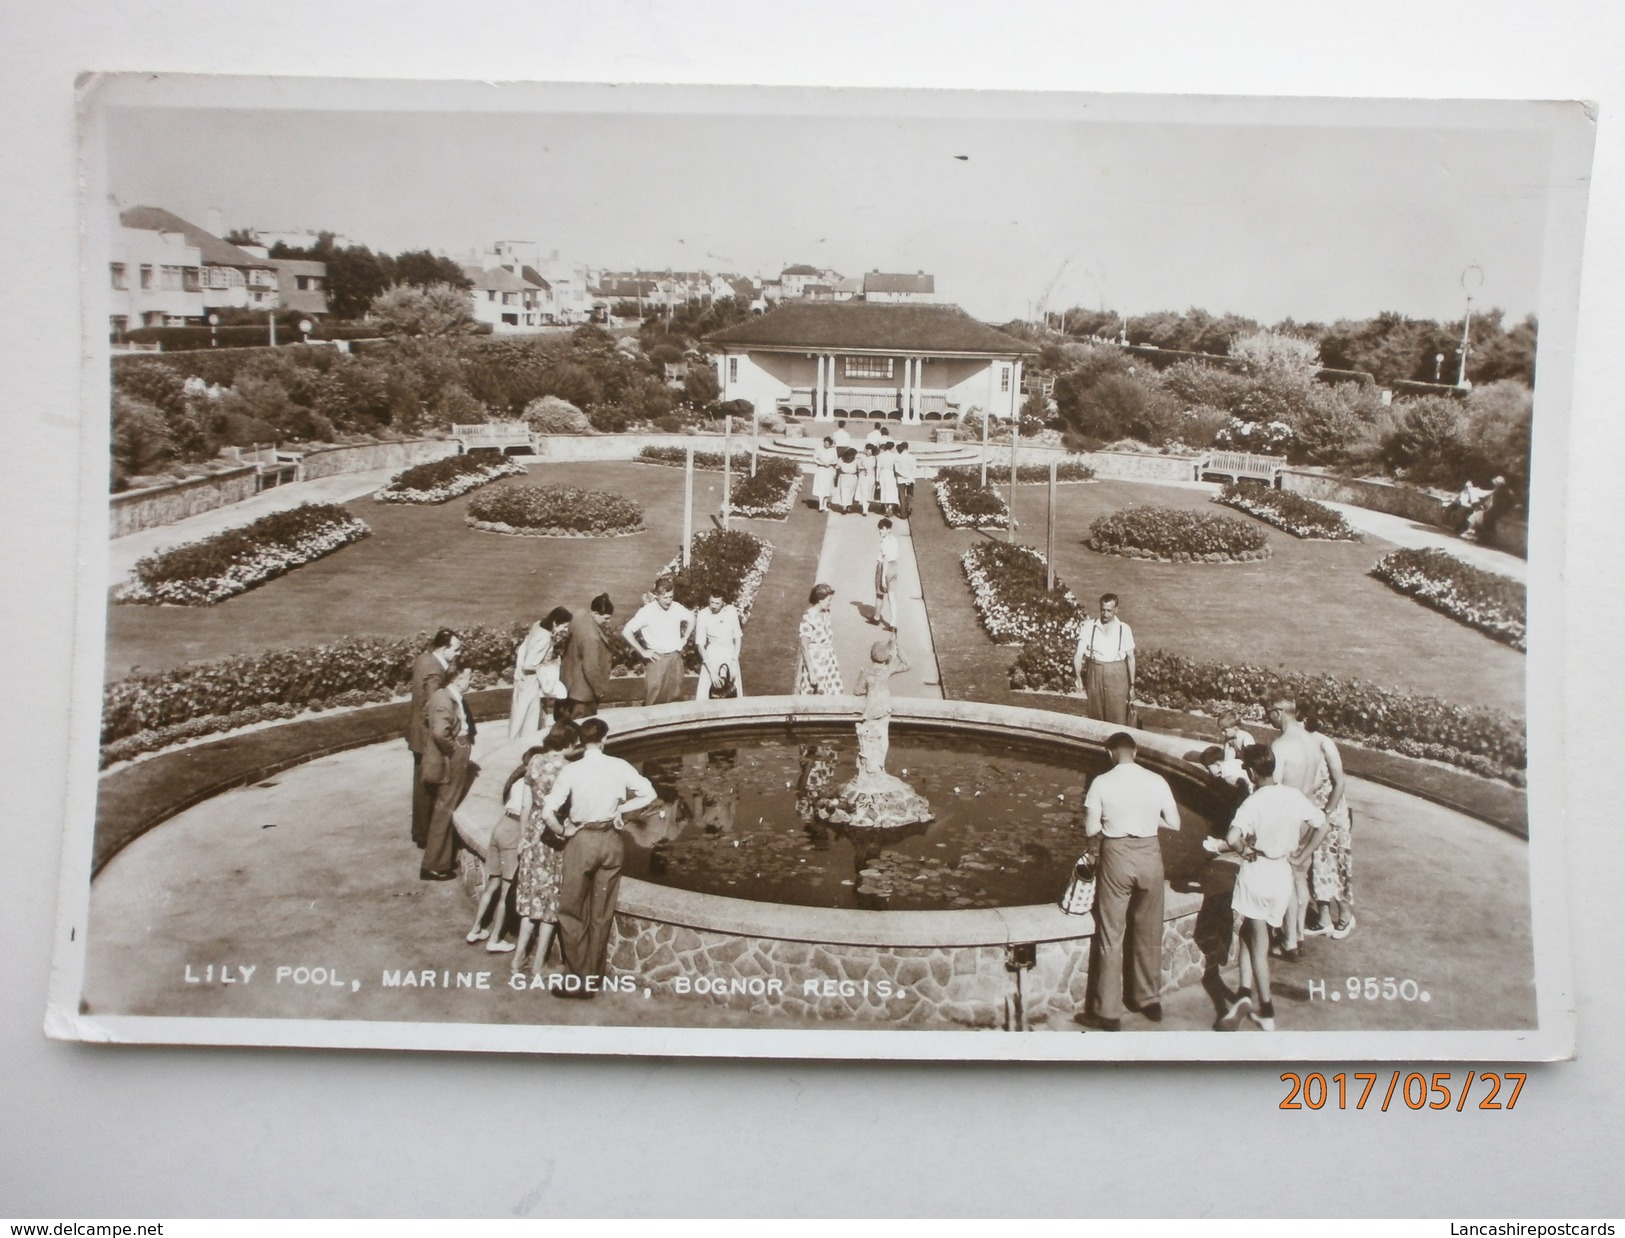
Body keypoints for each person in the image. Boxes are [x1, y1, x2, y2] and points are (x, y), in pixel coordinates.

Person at [1205, 744, 1328, 1031]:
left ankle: (1267, 1010)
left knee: (1259, 946)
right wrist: (1302, 854)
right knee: (1251, 931)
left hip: (1257, 872)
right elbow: (1322, 826)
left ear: (1250, 771)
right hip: (1282, 874)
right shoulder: (1292, 796)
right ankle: (1244, 994)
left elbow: (1232, 836)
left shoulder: (1253, 802)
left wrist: (1243, 851)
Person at [539, 716, 658, 990]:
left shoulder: (572, 771)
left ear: (581, 741)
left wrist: (562, 831)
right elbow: (649, 794)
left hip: (582, 839)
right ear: (604, 739)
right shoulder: (619, 766)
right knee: (601, 911)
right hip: (611, 841)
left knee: (570, 910)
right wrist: (621, 811)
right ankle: (593, 976)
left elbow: (548, 812)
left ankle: (578, 976)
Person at [1079, 732, 1182, 1031]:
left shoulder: (1101, 782)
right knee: (1149, 928)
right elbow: (1175, 823)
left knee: (1112, 933)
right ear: (1135, 751)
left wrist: (1111, 823)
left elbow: (1091, 828)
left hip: (1117, 854)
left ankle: (1108, 1013)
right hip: (1150, 853)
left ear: (1110, 753)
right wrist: (1149, 821)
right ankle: (1149, 1000)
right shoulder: (1157, 780)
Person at [510, 721, 583, 977]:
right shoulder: (569, 769)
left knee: (531, 898)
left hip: (532, 831)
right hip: (554, 836)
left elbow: (525, 804)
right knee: (550, 901)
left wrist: (523, 837)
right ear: (571, 743)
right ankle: (539, 964)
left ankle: (518, 959)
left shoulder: (535, 762)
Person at [1267, 695, 1326, 955]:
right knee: (1300, 873)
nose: (1267, 718)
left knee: (1286, 877)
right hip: (1308, 812)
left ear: (1278, 712)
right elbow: (1319, 781)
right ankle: (1299, 934)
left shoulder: (1281, 745)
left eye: (1268, 713)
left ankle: (1289, 941)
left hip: (1288, 817)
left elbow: (1274, 785)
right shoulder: (1312, 742)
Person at [1301, 708, 1354, 939]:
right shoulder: (1301, 743)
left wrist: (1328, 811)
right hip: (1315, 813)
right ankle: (1323, 919)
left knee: (1337, 864)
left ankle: (1345, 917)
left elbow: (1340, 782)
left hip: (1332, 814)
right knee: (1317, 865)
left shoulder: (1324, 743)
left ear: (1304, 719)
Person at [420, 665, 475, 881]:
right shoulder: (445, 699)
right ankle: (433, 864)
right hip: (453, 756)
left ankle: (441, 860)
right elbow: (440, 732)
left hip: (454, 752)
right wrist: (455, 747)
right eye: (469, 676)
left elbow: (427, 714)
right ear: (458, 678)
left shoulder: (444, 696)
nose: (471, 681)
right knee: (446, 807)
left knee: (446, 806)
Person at [467, 762, 528, 955]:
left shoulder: (519, 782)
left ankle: (475, 929)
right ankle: (495, 939)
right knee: (506, 889)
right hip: (514, 829)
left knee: (493, 882)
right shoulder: (535, 785)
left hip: (501, 825)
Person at [406, 628, 460, 847]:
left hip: (417, 733)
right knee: (427, 787)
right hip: (425, 736)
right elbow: (435, 705)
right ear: (444, 648)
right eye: (456, 649)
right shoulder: (435, 671)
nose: (458, 653)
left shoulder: (424, 659)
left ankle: (420, 831)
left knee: (422, 785)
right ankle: (425, 835)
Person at [621, 577, 694, 707]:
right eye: (665, 597)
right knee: (654, 698)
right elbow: (627, 631)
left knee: (676, 698)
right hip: (657, 660)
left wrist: (685, 637)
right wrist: (643, 651)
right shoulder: (647, 612)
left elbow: (692, 618)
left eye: (671, 597)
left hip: (675, 659)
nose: (669, 601)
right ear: (656, 595)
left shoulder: (676, 607)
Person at [1072, 593, 1137, 725]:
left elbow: (1131, 659)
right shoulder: (1089, 626)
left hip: (1117, 675)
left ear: (1116, 610)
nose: (1105, 614)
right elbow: (1079, 654)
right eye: (1103, 610)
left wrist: (1132, 685)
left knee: (1117, 716)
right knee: (1096, 716)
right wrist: (1078, 676)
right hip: (1095, 673)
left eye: (1109, 611)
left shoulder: (1124, 629)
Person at [507, 606, 571, 738]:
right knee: (528, 715)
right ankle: (523, 743)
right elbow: (530, 664)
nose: (565, 630)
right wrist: (551, 665)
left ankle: (516, 740)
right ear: (555, 623)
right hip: (531, 680)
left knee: (520, 712)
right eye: (563, 626)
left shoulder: (538, 626)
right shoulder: (545, 637)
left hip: (523, 678)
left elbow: (525, 650)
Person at [853, 638, 910, 776]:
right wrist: (897, 651)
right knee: (883, 737)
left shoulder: (866, 671)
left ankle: (869, 766)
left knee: (869, 738)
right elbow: (907, 665)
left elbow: (857, 690)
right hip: (884, 708)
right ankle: (880, 765)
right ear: (885, 657)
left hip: (871, 709)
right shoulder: (887, 669)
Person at [560, 593, 614, 721]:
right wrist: (599, 690)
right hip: (584, 693)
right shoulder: (592, 636)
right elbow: (591, 667)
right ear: (595, 614)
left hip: (571, 683)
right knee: (583, 726)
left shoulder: (579, 615)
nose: (608, 622)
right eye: (606, 618)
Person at [693, 589, 743, 700]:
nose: (714, 606)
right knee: (707, 693)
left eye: (717, 603)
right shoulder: (703, 614)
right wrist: (712, 672)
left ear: (723, 603)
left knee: (731, 691)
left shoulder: (731, 611)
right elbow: (700, 645)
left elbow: (738, 638)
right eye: (712, 602)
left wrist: (734, 662)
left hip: (730, 655)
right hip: (711, 657)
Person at [794, 583, 844, 695]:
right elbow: (804, 646)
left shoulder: (826, 613)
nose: (831, 603)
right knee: (815, 696)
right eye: (828, 600)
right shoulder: (809, 617)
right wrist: (811, 672)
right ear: (820, 600)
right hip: (815, 663)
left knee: (834, 694)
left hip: (829, 661)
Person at [872, 517, 900, 630]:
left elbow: (885, 560)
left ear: (889, 529)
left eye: (883, 529)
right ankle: (893, 623)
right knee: (892, 596)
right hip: (894, 568)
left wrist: (883, 578)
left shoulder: (885, 542)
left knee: (879, 594)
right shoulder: (894, 540)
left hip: (884, 568)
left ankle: (876, 617)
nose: (880, 531)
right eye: (880, 529)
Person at [811, 436, 838, 513]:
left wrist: (829, 464)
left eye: (828, 444)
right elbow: (815, 458)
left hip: (829, 471)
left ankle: (825, 505)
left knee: (827, 488)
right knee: (821, 487)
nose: (826, 445)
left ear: (830, 445)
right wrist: (822, 464)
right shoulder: (819, 448)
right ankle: (820, 506)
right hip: (821, 470)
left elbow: (835, 460)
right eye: (825, 443)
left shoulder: (833, 450)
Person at [875, 440, 900, 516]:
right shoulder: (894, 456)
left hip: (882, 473)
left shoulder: (880, 456)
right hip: (890, 473)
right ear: (892, 447)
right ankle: (890, 507)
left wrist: (877, 478)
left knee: (884, 490)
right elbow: (896, 467)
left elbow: (878, 467)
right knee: (891, 491)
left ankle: (886, 508)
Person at [894, 441, 917, 519]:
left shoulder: (898, 457)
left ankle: (903, 513)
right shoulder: (912, 457)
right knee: (910, 495)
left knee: (902, 496)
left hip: (901, 479)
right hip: (910, 479)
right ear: (907, 447)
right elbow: (914, 469)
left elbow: (897, 470)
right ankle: (907, 509)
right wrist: (909, 477)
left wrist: (904, 476)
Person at [834, 448, 859, 514]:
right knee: (850, 492)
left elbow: (837, 467)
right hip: (851, 476)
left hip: (845, 476)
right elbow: (859, 468)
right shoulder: (856, 460)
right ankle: (847, 507)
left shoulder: (841, 460)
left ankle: (845, 507)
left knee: (845, 492)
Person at [856, 444, 877, 516]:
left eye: (869, 450)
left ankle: (866, 508)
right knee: (864, 492)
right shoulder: (862, 457)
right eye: (866, 450)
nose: (867, 452)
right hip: (863, 477)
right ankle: (864, 509)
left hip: (871, 477)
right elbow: (858, 465)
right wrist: (862, 468)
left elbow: (876, 468)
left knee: (869, 493)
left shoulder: (875, 458)